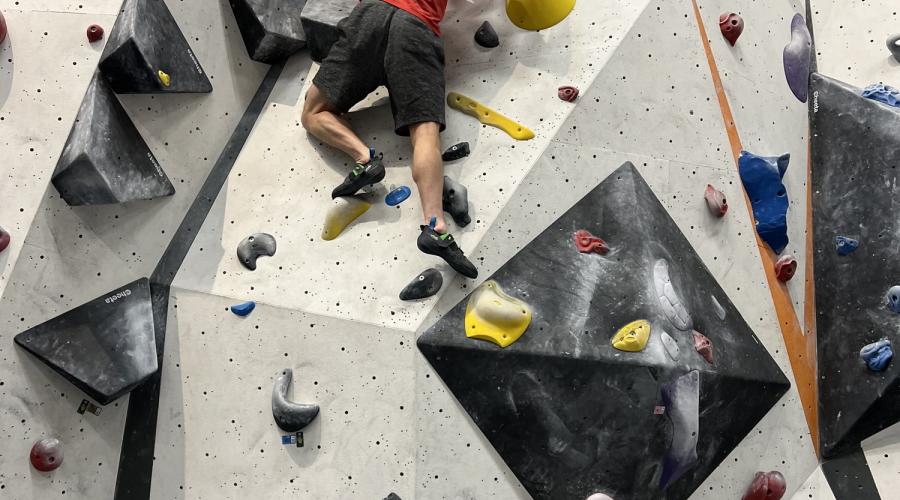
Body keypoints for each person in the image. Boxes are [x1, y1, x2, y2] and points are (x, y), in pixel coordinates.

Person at [300, 0, 478, 279]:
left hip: (370, 17)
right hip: (416, 27)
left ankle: (365, 159)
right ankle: (436, 227)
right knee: (425, 135)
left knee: (313, 113)